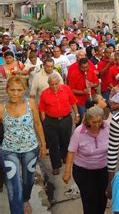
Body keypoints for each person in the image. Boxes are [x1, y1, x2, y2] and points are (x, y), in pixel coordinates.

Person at [0, 76, 47, 214]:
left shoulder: (31, 103)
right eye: (12, 90)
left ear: (24, 90)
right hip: (8, 151)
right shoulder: (2, 108)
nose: (16, 93)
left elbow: (38, 124)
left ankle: (25, 199)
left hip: (30, 149)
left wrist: (43, 145)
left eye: (19, 90)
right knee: (14, 186)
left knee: (29, 180)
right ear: (7, 90)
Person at [63, 106, 109, 214]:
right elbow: (71, 152)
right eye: (94, 122)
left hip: (103, 169)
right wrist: (67, 172)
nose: (97, 125)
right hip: (83, 171)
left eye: (99, 121)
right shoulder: (79, 132)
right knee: (89, 200)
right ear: (87, 120)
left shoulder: (107, 127)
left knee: (102, 198)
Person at [39, 74, 79, 175]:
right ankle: (55, 165)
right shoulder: (44, 94)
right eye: (52, 84)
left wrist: (77, 114)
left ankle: (64, 156)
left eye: (56, 84)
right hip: (50, 122)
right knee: (53, 143)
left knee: (65, 140)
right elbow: (42, 109)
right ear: (48, 84)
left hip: (65, 120)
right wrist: (44, 122)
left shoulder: (66, 89)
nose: (54, 86)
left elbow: (73, 102)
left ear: (59, 83)